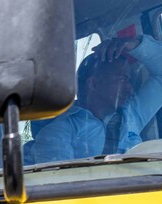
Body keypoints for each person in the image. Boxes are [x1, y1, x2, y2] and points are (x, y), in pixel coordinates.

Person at [33, 35, 162, 163]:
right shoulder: (60, 131)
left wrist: (136, 45)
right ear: (93, 84)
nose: (130, 89)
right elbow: (62, 180)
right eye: (122, 80)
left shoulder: (132, 114)